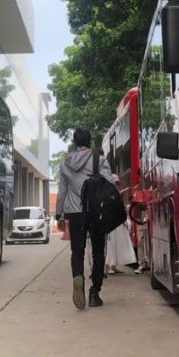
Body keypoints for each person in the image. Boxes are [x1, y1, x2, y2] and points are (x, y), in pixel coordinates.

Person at [55, 129, 113, 310]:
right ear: (90, 142)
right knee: (98, 252)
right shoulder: (99, 161)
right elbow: (108, 185)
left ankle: (78, 276)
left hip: (74, 213)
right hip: (95, 212)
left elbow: (62, 191)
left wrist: (59, 215)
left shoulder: (66, 164)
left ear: (74, 142)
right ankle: (95, 293)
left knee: (77, 251)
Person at [104, 176, 137, 275]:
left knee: (118, 242)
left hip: (117, 221)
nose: (117, 185)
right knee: (111, 244)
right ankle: (108, 265)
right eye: (116, 182)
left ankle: (113, 265)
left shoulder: (114, 192)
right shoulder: (107, 193)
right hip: (111, 222)